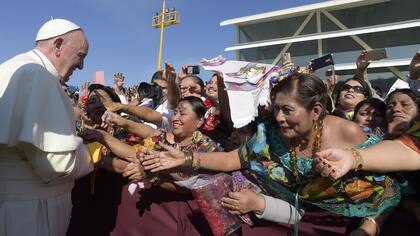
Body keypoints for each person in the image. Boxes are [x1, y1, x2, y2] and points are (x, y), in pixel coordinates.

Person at [141, 73, 400, 235]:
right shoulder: (268, 133)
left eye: (288, 110)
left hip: (342, 224)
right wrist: (187, 159)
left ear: (317, 110)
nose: (278, 118)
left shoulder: (347, 133)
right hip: (287, 216)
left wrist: (367, 229)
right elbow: (234, 159)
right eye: (276, 109)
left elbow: (387, 192)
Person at [0, 18, 93, 236]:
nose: (81, 66)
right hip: (29, 213)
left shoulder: (13, 67)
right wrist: (95, 152)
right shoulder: (36, 74)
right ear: (58, 45)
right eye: (80, 56)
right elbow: (56, 164)